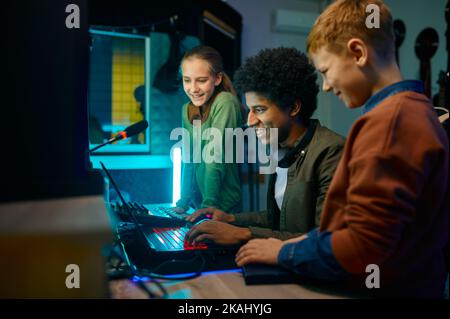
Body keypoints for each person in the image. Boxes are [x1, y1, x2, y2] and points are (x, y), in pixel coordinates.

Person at [235, 0, 449, 298]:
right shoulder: (412, 111)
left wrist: (284, 252)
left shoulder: (391, 122)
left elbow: (361, 246)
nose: (324, 86)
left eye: (326, 70)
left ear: (358, 52)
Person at [186, 47, 345, 245]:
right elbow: (278, 218)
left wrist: (244, 234)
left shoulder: (331, 151)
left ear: (294, 107)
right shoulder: (281, 150)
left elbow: (326, 241)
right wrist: (231, 219)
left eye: (259, 110)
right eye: (250, 110)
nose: (250, 121)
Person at [174, 46, 243, 214]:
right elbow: (189, 159)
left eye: (202, 80)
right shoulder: (187, 109)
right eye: (187, 80)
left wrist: (208, 207)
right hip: (200, 206)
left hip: (222, 207)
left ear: (217, 78)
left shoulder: (225, 102)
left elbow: (215, 157)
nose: (193, 88)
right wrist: (183, 202)